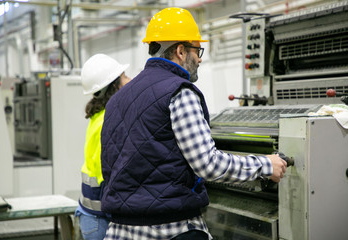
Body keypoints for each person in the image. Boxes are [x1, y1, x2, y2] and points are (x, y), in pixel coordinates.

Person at [100, 7, 286, 240]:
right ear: (180, 50)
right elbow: (208, 165)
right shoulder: (179, 92)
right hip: (169, 230)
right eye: (197, 50)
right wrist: (266, 165)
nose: (199, 58)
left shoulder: (117, 100)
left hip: (118, 231)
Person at [75, 54, 131, 240]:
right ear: (114, 86)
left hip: (90, 214)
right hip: (101, 219)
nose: (129, 80)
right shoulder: (111, 119)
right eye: (124, 76)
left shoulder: (99, 114)